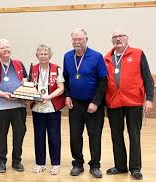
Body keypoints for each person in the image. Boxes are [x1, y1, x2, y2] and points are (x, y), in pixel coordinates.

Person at [104, 30, 154, 180]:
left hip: (134, 101)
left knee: (134, 134)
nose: (118, 39)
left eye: (121, 36)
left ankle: (135, 168)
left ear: (127, 38)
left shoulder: (138, 53)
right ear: (112, 40)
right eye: (115, 37)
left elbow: (147, 78)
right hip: (114, 101)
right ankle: (120, 166)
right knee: (116, 135)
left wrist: (149, 99)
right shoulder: (107, 58)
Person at [63, 28, 107, 178]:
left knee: (94, 135)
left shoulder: (96, 56)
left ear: (86, 39)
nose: (77, 42)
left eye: (80, 39)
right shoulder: (67, 56)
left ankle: (95, 165)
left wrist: (95, 102)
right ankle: (77, 163)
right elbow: (66, 79)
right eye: (74, 39)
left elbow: (103, 82)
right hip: (75, 104)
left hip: (94, 105)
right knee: (75, 136)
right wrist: (67, 96)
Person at [0, 39, 27, 173]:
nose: (6, 50)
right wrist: (3, 94)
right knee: (2, 134)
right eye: (3, 48)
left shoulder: (18, 64)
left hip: (19, 106)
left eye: (8, 47)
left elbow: (26, 81)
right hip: (0, 107)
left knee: (19, 133)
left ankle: (16, 160)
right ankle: (2, 160)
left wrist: (23, 93)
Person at [30, 44, 65, 175]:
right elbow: (28, 87)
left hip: (52, 107)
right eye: (41, 54)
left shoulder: (57, 69)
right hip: (37, 108)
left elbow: (61, 88)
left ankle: (55, 164)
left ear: (50, 56)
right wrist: (34, 97)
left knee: (54, 136)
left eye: (45, 54)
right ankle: (40, 163)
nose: (43, 56)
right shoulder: (32, 69)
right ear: (37, 56)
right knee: (39, 136)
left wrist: (48, 97)